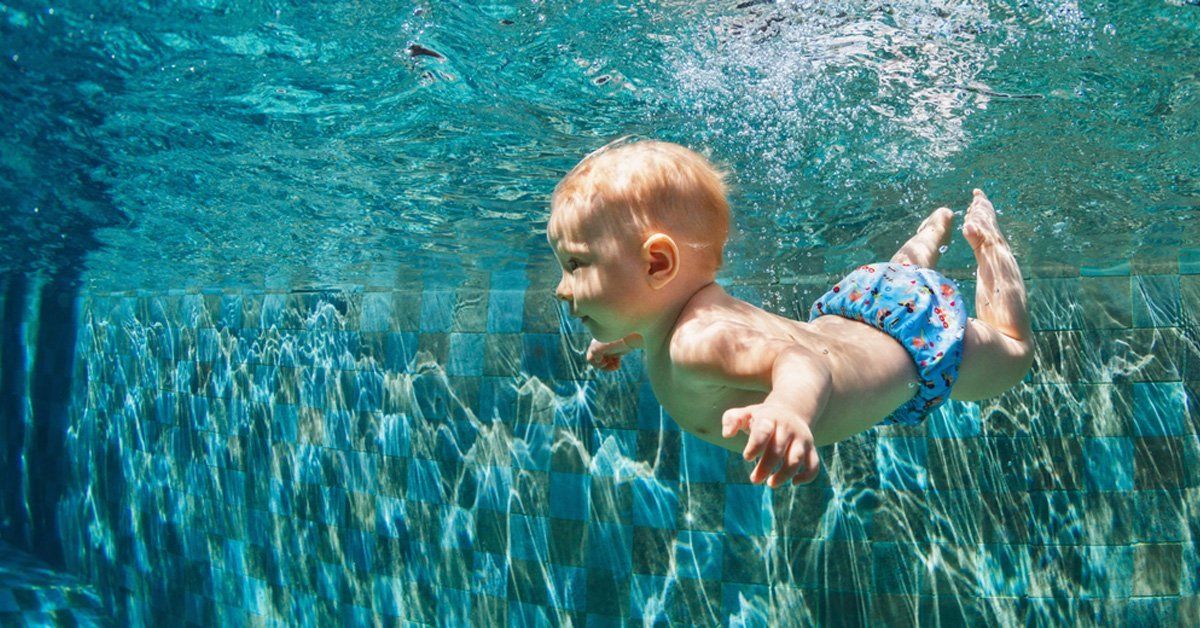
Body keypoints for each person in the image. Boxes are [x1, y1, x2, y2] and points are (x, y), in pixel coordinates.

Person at [546, 139, 1034, 488]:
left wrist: (789, 409)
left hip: (916, 344)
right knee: (903, 279)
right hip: (866, 309)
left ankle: (986, 243)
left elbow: (803, 363)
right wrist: (624, 336)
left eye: (574, 265)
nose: (560, 289)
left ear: (658, 263)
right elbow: (657, 322)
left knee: (1011, 356)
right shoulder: (669, 320)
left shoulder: (698, 340)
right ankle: (924, 243)